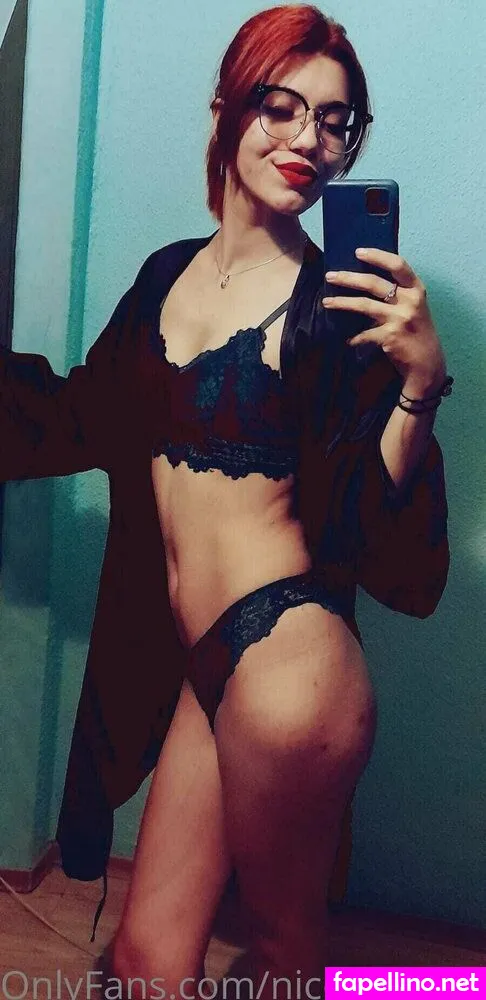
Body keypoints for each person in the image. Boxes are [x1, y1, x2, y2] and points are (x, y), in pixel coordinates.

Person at [0, 4, 452, 997]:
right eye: (281, 107)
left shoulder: (338, 308)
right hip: (201, 666)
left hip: (292, 669)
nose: (308, 140)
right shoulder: (167, 276)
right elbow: (81, 414)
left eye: (335, 121)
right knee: (147, 962)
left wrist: (419, 384)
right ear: (226, 110)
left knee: (287, 952)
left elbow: (386, 544)